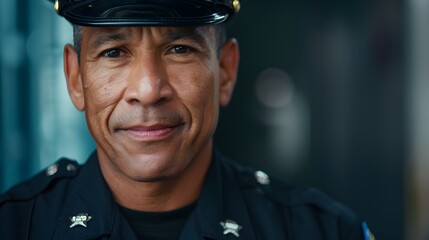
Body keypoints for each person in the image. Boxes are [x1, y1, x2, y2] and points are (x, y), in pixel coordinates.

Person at [0, 0, 375, 239]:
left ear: (226, 70)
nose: (148, 89)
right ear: (75, 78)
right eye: (114, 52)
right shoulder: (15, 227)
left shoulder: (322, 232)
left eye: (179, 48)